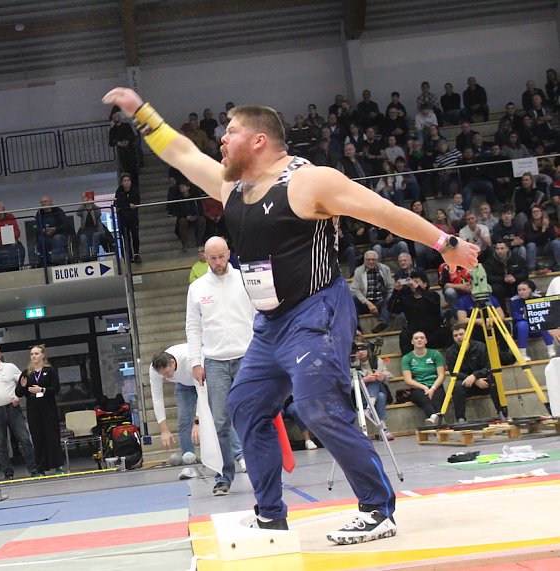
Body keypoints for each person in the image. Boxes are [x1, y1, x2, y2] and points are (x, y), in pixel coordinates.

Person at [102, 86, 478, 542]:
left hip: (316, 311)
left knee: (319, 408)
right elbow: (181, 152)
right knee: (244, 407)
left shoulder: (309, 181)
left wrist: (449, 245)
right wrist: (141, 113)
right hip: (270, 325)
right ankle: (269, 513)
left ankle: (377, 510)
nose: (221, 139)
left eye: (231, 131)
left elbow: (386, 213)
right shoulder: (231, 186)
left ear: (259, 140)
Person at [186, 236, 251, 496]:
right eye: (212, 258)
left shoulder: (245, 279)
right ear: (204, 257)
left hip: (248, 357)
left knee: (252, 418)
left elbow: (259, 315)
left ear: (228, 254)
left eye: (221, 256)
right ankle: (224, 475)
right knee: (221, 422)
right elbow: (192, 327)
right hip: (213, 362)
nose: (217, 262)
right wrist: (195, 362)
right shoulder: (197, 287)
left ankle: (260, 470)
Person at [0, 340, 38, 479]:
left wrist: (19, 396)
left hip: (13, 409)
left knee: (25, 439)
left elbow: (24, 382)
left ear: (0, 354)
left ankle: (33, 469)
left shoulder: (10, 367)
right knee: (0, 444)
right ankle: (8, 472)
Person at [149, 345, 202, 480]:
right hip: (183, 385)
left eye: (167, 373)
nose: (166, 377)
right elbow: (157, 397)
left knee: (219, 417)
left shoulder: (189, 358)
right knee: (184, 421)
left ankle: (240, 456)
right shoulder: (154, 370)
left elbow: (202, 391)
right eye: (163, 375)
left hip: (202, 380)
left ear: (173, 362)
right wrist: (164, 430)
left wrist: (197, 421)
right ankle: (189, 466)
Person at [15, 345, 65, 476]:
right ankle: (41, 468)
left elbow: (56, 388)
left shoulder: (50, 370)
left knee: (52, 436)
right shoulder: (26, 373)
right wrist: (23, 386)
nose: (34, 356)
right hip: (33, 409)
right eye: (32, 354)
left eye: (36, 353)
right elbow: (19, 393)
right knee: (37, 438)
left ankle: (57, 466)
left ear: (43, 355)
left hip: (48, 408)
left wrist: (42, 389)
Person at [445, 324, 507, 423]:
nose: (459, 337)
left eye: (461, 334)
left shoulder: (481, 347)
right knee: (456, 387)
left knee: (493, 380)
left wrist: (475, 376)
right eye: (455, 335)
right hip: (466, 384)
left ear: (468, 334)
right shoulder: (450, 352)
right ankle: (460, 418)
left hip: (483, 382)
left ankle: (501, 413)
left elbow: (488, 366)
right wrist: (473, 380)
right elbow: (454, 373)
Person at [401, 331, 447, 426]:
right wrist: (424, 387)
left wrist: (433, 388)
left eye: (422, 338)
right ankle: (438, 420)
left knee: (436, 399)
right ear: (412, 342)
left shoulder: (435, 354)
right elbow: (408, 380)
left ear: (426, 340)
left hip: (436, 385)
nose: (419, 340)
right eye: (416, 338)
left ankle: (433, 420)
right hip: (417, 388)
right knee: (424, 398)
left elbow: (441, 375)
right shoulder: (407, 358)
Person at [354, 342, 394, 441]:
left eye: (363, 349)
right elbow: (347, 384)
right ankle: (383, 429)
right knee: (380, 395)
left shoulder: (377, 360)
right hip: (360, 396)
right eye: (358, 350)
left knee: (375, 381)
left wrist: (383, 375)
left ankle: (368, 409)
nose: (361, 352)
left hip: (377, 390)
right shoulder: (352, 363)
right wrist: (364, 380)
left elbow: (390, 376)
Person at [510, 280, 556, 361]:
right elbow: (515, 316)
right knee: (523, 325)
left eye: (524, 290)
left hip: (536, 327)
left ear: (530, 290)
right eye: (519, 290)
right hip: (521, 329)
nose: (521, 292)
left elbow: (544, 313)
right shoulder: (514, 300)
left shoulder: (538, 298)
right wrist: (525, 315)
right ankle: (523, 354)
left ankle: (551, 351)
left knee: (543, 322)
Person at [350, 250, 394, 334]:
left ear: (377, 260)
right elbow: (354, 289)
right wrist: (368, 303)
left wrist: (389, 297)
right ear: (364, 260)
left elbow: (390, 287)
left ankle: (382, 322)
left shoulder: (385, 269)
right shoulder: (358, 271)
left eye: (373, 259)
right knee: (352, 299)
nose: (371, 262)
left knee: (390, 298)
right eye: (368, 259)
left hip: (381, 301)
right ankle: (357, 327)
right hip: (365, 302)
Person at [0, 201, 25, 271]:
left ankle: (18, 267)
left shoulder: (11, 217)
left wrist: (15, 238)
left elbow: (17, 231)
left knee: (21, 247)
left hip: (10, 242)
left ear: (3, 209)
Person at [113, 173, 141, 262]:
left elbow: (137, 201)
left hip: (133, 217)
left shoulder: (135, 190)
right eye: (124, 181)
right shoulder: (119, 191)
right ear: (122, 182)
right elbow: (117, 203)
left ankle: (136, 254)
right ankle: (129, 256)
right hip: (123, 218)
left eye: (128, 180)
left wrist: (130, 204)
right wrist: (128, 205)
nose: (126, 182)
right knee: (126, 237)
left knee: (135, 235)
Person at [76, 192, 105, 262]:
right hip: (85, 230)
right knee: (83, 238)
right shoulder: (83, 209)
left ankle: (94, 253)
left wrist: (92, 204)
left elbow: (99, 214)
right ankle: (85, 256)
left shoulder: (95, 207)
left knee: (95, 235)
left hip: (96, 229)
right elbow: (78, 213)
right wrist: (84, 204)